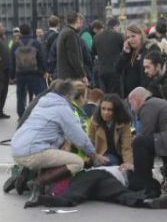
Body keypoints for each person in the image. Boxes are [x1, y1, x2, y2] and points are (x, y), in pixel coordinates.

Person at [11, 80, 109, 208]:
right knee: (77, 162)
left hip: (16, 149)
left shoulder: (43, 102)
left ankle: (28, 181)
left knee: (54, 154)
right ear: (69, 96)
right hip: (32, 152)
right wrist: (94, 155)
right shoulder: (62, 108)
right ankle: (38, 183)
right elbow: (79, 136)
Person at [34, 167, 167, 209]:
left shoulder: (152, 180)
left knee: (119, 194)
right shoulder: (141, 171)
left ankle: (148, 203)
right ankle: (147, 201)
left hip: (101, 184)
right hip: (98, 174)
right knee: (120, 192)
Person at [10, 23, 47, 118]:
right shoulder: (36, 43)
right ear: (30, 31)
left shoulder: (16, 45)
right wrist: (43, 71)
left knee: (20, 94)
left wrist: (12, 75)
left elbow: (12, 61)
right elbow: (41, 58)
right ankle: (40, 112)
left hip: (20, 73)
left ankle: (21, 114)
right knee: (38, 94)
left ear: (20, 33)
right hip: (34, 73)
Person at [88, 93, 133, 168]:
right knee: (108, 162)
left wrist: (128, 163)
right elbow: (90, 142)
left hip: (119, 155)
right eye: (103, 109)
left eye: (109, 110)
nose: (105, 112)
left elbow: (126, 146)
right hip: (100, 155)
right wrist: (95, 156)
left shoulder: (124, 123)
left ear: (116, 111)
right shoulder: (94, 121)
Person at [115, 23, 159, 98]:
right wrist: (125, 53)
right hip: (129, 95)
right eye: (128, 37)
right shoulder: (129, 51)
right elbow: (117, 68)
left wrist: (148, 92)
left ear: (141, 35)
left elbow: (156, 72)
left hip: (146, 94)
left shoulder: (150, 48)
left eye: (133, 36)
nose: (131, 40)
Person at [92, 18, 124, 94]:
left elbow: (94, 52)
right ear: (116, 26)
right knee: (115, 95)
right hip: (115, 71)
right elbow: (123, 50)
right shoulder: (118, 36)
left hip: (102, 71)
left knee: (105, 95)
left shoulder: (96, 37)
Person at [56, 11, 88, 83]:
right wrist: (83, 75)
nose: (82, 25)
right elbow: (74, 57)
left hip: (64, 75)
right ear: (77, 20)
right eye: (81, 22)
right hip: (71, 76)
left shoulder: (64, 31)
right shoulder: (70, 33)